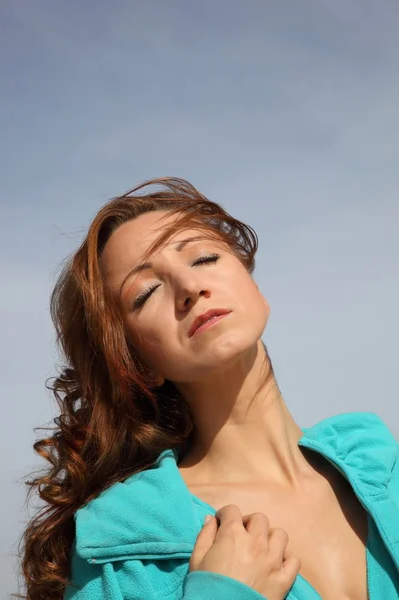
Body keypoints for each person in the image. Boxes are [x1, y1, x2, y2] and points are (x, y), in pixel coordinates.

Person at [20, 178, 399, 600]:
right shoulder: (122, 552)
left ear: (255, 287)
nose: (190, 288)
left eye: (203, 257)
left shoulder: (387, 473)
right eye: (146, 294)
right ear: (137, 364)